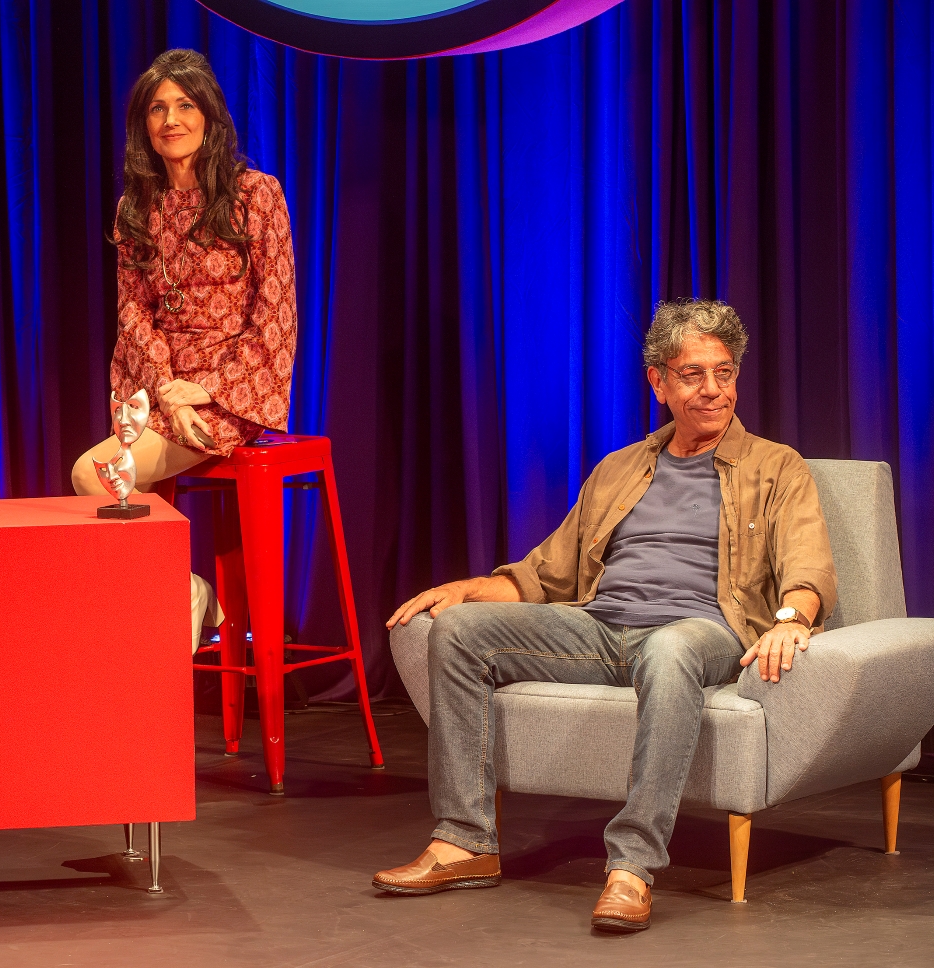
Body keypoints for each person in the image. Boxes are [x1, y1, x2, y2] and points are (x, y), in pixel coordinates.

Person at [375, 299, 837, 933]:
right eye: (694, 374)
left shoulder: (774, 465)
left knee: (671, 650)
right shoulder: (620, 469)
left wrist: (792, 616)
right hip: (602, 627)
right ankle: (465, 842)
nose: (712, 390)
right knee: (457, 633)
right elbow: (547, 574)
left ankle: (632, 867)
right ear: (659, 382)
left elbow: (808, 565)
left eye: (724, 373)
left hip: (702, 629)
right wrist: (468, 589)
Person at [70, 48, 298, 650]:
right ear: (144, 126)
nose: (171, 119)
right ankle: (190, 591)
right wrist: (169, 394)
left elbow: (275, 315)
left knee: (92, 476)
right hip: (159, 388)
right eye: (157, 109)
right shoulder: (136, 209)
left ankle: (189, 595)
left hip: (233, 389)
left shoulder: (257, 195)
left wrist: (210, 389)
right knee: (99, 484)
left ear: (209, 116)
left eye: (184, 105)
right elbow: (134, 312)